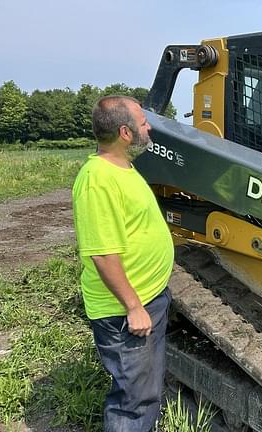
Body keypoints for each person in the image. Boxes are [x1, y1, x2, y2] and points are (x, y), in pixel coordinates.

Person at [72, 95, 174, 432]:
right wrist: (133, 306)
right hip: (125, 313)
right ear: (125, 133)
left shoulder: (124, 167)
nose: (149, 127)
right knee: (133, 401)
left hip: (149, 297)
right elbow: (102, 253)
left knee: (144, 390)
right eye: (143, 123)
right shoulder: (98, 180)